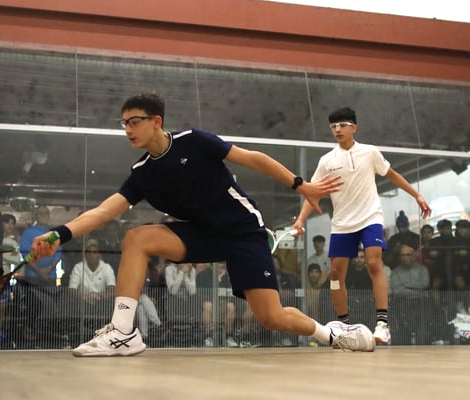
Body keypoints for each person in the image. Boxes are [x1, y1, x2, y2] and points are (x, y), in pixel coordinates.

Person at [31, 93, 374, 357]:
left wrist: (300, 185)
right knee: (137, 238)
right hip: (204, 235)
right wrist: (60, 233)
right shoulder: (143, 174)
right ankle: (123, 333)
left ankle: (334, 334)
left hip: (243, 232)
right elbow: (105, 210)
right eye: (124, 123)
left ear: (156, 121)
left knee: (272, 317)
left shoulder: (193, 141)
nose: (128, 129)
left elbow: (252, 158)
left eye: (135, 121)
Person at [292, 107, 432, 345]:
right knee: (335, 274)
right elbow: (312, 194)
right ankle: (344, 326)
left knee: (374, 263)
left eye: (342, 125)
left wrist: (416, 195)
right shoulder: (327, 161)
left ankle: (382, 325)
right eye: (333, 126)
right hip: (342, 224)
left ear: (354, 127)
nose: (337, 130)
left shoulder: (370, 152)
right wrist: (299, 221)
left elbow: (391, 174)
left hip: (370, 218)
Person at [20, 206, 62, 285]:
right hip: (32, 277)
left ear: (49, 216)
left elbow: (58, 255)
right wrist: (39, 271)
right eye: (40, 213)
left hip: (50, 276)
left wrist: (48, 270)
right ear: (36, 216)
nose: (44, 215)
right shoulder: (28, 232)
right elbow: (25, 254)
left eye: (46, 213)